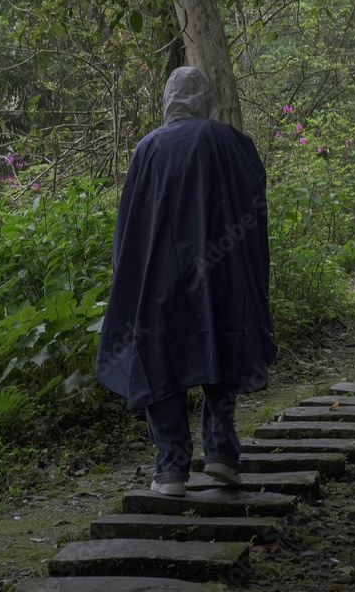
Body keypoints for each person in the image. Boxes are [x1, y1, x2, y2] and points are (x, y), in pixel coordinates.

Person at [96, 66, 277, 496]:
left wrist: (126, 275)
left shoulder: (149, 148)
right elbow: (254, 206)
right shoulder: (233, 143)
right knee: (223, 348)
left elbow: (131, 226)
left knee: (157, 356)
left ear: (168, 101)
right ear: (206, 99)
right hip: (223, 273)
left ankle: (171, 469)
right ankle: (221, 453)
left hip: (161, 275)